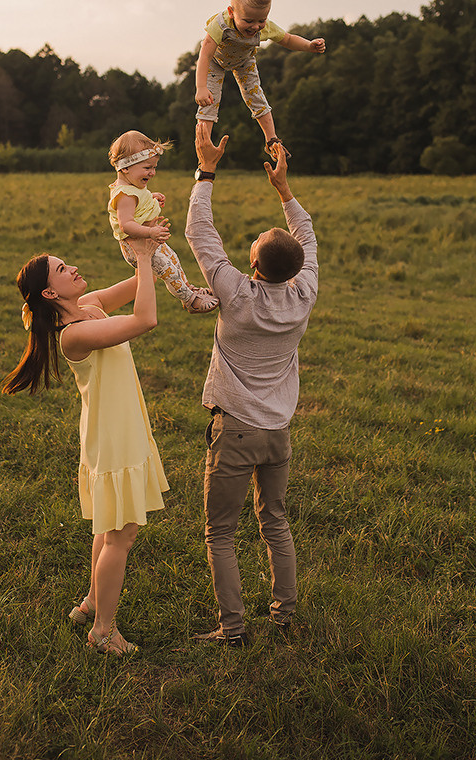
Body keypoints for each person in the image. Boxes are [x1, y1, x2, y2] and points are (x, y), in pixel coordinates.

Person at [2, 236, 169, 656]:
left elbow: (137, 283)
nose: (72, 268)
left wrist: (145, 238)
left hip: (116, 429)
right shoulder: (74, 334)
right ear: (49, 293)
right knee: (121, 535)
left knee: (107, 526)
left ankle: (91, 603)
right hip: (113, 437)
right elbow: (145, 319)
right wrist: (147, 261)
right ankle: (103, 631)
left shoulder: (89, 306)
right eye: (62, 269)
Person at [185, 123, 318, 646]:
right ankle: (283, 617)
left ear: (256, 266)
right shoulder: (303, 293)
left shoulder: (237, 296)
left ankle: (233, 629)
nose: (252, 238)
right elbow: (306, 238)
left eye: (257, 240)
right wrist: (284, 190)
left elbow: (200, 233)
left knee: (221, 531)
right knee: (275, 521)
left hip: (235, 432)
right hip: (278, 433)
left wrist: (207, 169)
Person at [195, 0, 326, 159]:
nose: (256, 26)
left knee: (256, 96)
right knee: (209, 101)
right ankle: (204, 148)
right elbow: (205, 54)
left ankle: (271, 140)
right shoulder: (221, 24)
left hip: (244, 61)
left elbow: (287, 39)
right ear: (231, 12)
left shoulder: (265, 27)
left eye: (261, 20)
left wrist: (309, 45)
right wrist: (201, 87)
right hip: (214, 62)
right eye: (248, 21)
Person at [108, 130, 219, 315]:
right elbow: (125, 224)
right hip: (138, 247)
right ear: (125, 168)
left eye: (154, 167)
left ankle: (188, 290)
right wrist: (150, 233)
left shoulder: (132, 187)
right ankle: (191, 301)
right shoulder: (125, 195)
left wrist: (150, 197)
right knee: (168, 271)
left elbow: (138, 202)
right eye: (147, 168)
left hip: (149, 242)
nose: (152, 173)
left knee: (174, 261)